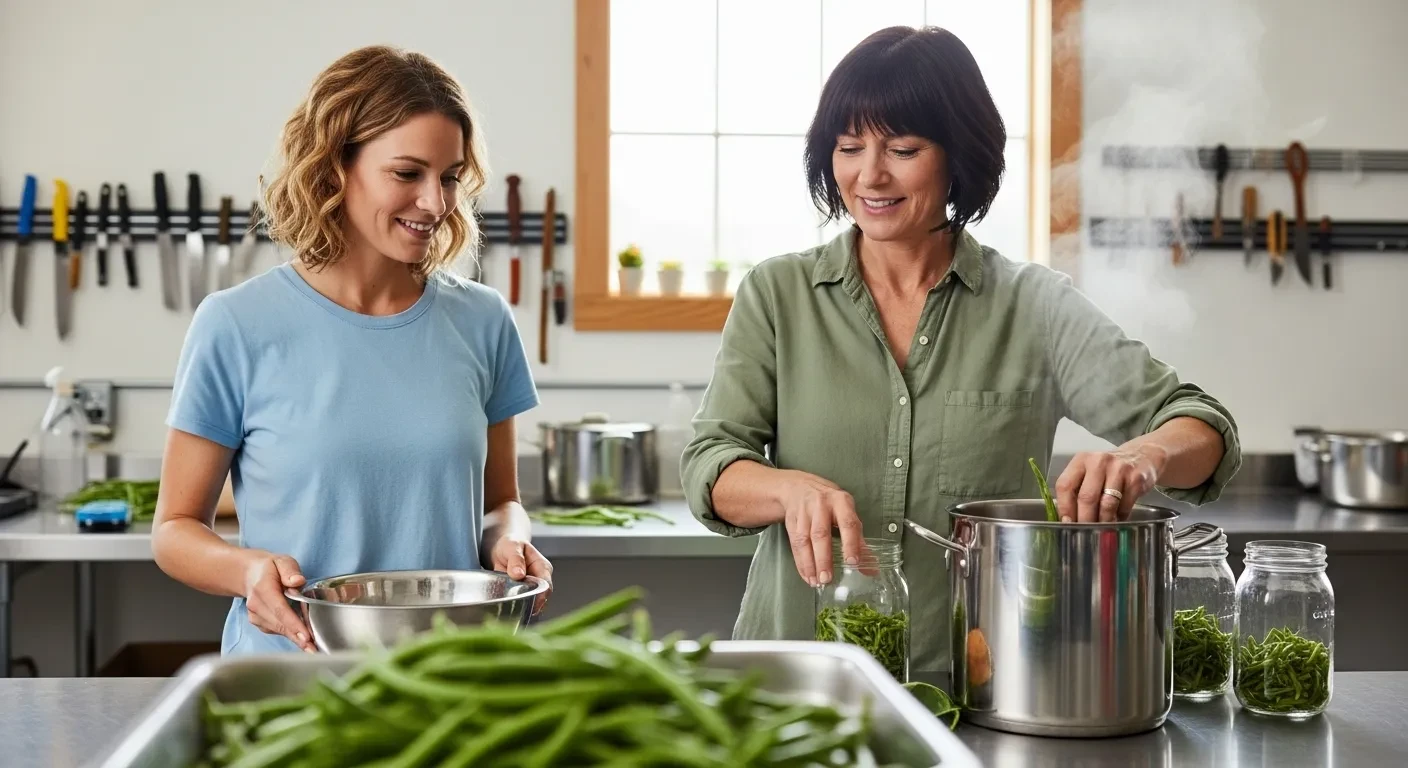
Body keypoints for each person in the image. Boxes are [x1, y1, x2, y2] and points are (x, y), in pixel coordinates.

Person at [680, 26, 1240, 676]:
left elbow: (1203, 427)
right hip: (794, 677)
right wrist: (785, 490)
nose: (870, 174)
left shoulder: (1032, 305)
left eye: (903, 149)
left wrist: (1144, 456)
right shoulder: (778, 293)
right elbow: (710, 463)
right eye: (849, 147)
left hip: (977, 689)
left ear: (958, 156)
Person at [151, 45, 551, 655]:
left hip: (447, 675)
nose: (436, 203)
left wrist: (508, 541)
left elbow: (501, 502)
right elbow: (175, 530)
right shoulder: (236, 324)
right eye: (407, 174)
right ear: (336, 166)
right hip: (289, 682)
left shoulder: (482, 319)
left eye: (449, 177)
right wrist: (246, 571)